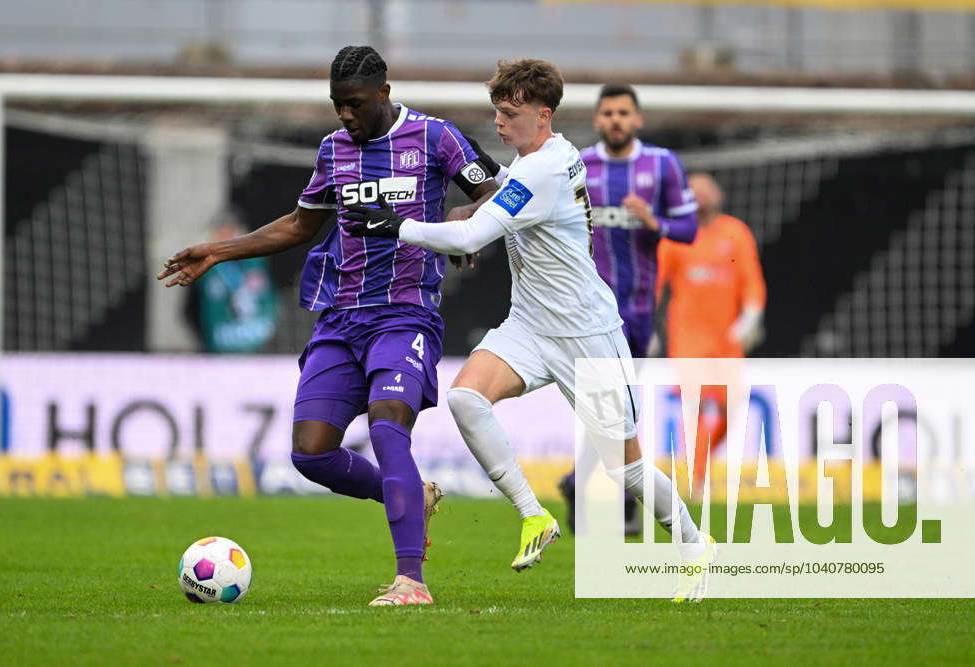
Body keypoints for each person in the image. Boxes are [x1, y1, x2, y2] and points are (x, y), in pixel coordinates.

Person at [345, 58, 715, 602]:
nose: (499, 122)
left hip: (586, 335)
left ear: (543, 116)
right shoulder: (545, 159)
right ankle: (532, 514)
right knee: (468, 398)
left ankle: (693, 544)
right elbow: (483, 217)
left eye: (510, 112)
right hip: (531, 324)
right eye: (496, 111)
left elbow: (475, 238)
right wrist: (455, 221)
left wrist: (402, 226)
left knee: (624, 469)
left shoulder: (542, 170)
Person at [157, 45, 499, 606]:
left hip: (405, 312)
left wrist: (461, 219)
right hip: (341, 319)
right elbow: (300, 224)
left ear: (384, 95)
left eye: (355, 104)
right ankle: (418, 494)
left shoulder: (436, 138)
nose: (346, 115)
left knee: (390, 426)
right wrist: (218, 252)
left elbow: (495, 192)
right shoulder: (334, 150)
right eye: (338, 105)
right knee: (311, 453)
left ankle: (411, 581)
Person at [559, 84, 699, 534]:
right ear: (597, 120)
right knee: (612, 405)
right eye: (607, 113)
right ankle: (620, 503)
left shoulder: (661, 165)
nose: (615, 120)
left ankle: (580, 485)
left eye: (623, 112)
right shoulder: (579, 165)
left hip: (638, 309)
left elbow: (690, 229)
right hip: (590, 311)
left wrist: (654, 222)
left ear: (637, 119)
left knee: (615, 408)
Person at [655, 172, 766, 488]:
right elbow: (656, 282)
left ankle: (698, 466)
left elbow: (752, 281)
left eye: (706, 189)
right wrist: (643, 323)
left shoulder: (735, 233)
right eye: (694, 190)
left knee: (732, 407)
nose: (701, 195)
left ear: (718, 194)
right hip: (688, 338)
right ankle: (696, 477)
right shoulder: (676, 236)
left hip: (726, 339)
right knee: (699, 405)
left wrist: (751, 315)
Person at [184, 210, 277, 353]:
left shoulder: (255, 263)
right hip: (216, 347)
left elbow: (270, 299)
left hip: (255, 346)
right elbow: (190, 309)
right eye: (220, 233)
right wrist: (204, 339)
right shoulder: (202, 267)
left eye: (230, 232)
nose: (225, 238)